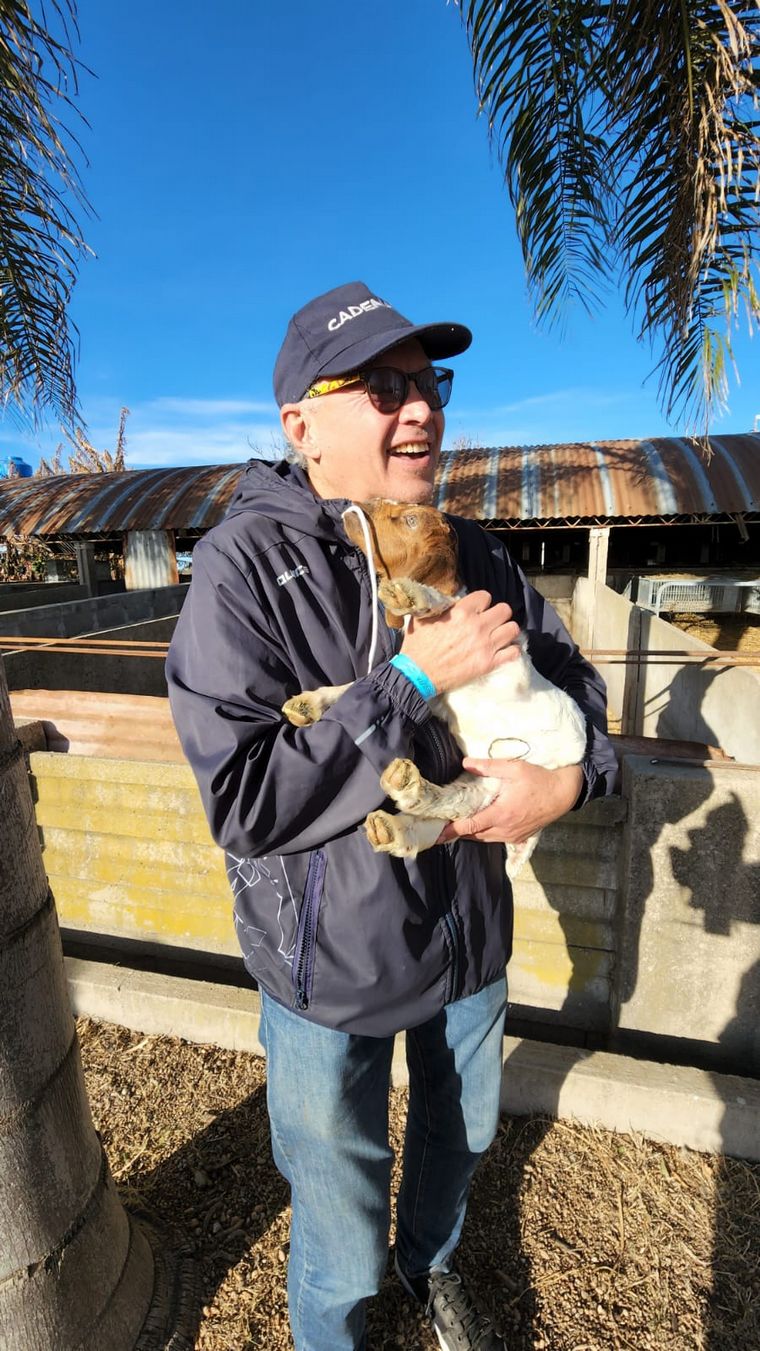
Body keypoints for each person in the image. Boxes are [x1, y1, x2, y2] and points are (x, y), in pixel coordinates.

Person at [166, 280, 617, 1351]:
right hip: (334, 964)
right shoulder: (242, 568)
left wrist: (566, 782)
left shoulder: (475, 549)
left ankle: (431, 1268)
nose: (419, 409)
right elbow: (245, 797)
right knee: (338, 1191)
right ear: (302, 425)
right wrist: (409, 678)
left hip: (468, 942)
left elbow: (580, 700)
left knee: (457, 1141)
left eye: (427, 382)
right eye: (382, 386)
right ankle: (340, 1324)